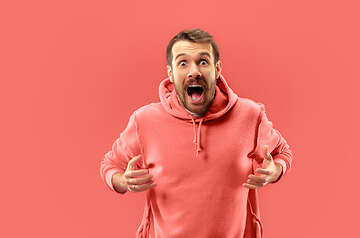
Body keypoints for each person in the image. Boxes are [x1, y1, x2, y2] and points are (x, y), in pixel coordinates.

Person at [100, 28, 293, 238]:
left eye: (203, 61)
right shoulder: (144, 121)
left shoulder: (249, 115)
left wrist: (276, 171)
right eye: (183, 63)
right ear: (171, 73)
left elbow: (282, 152)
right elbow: (109, 166)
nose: (194, 71)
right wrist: (123, 181)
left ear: (217, 69)